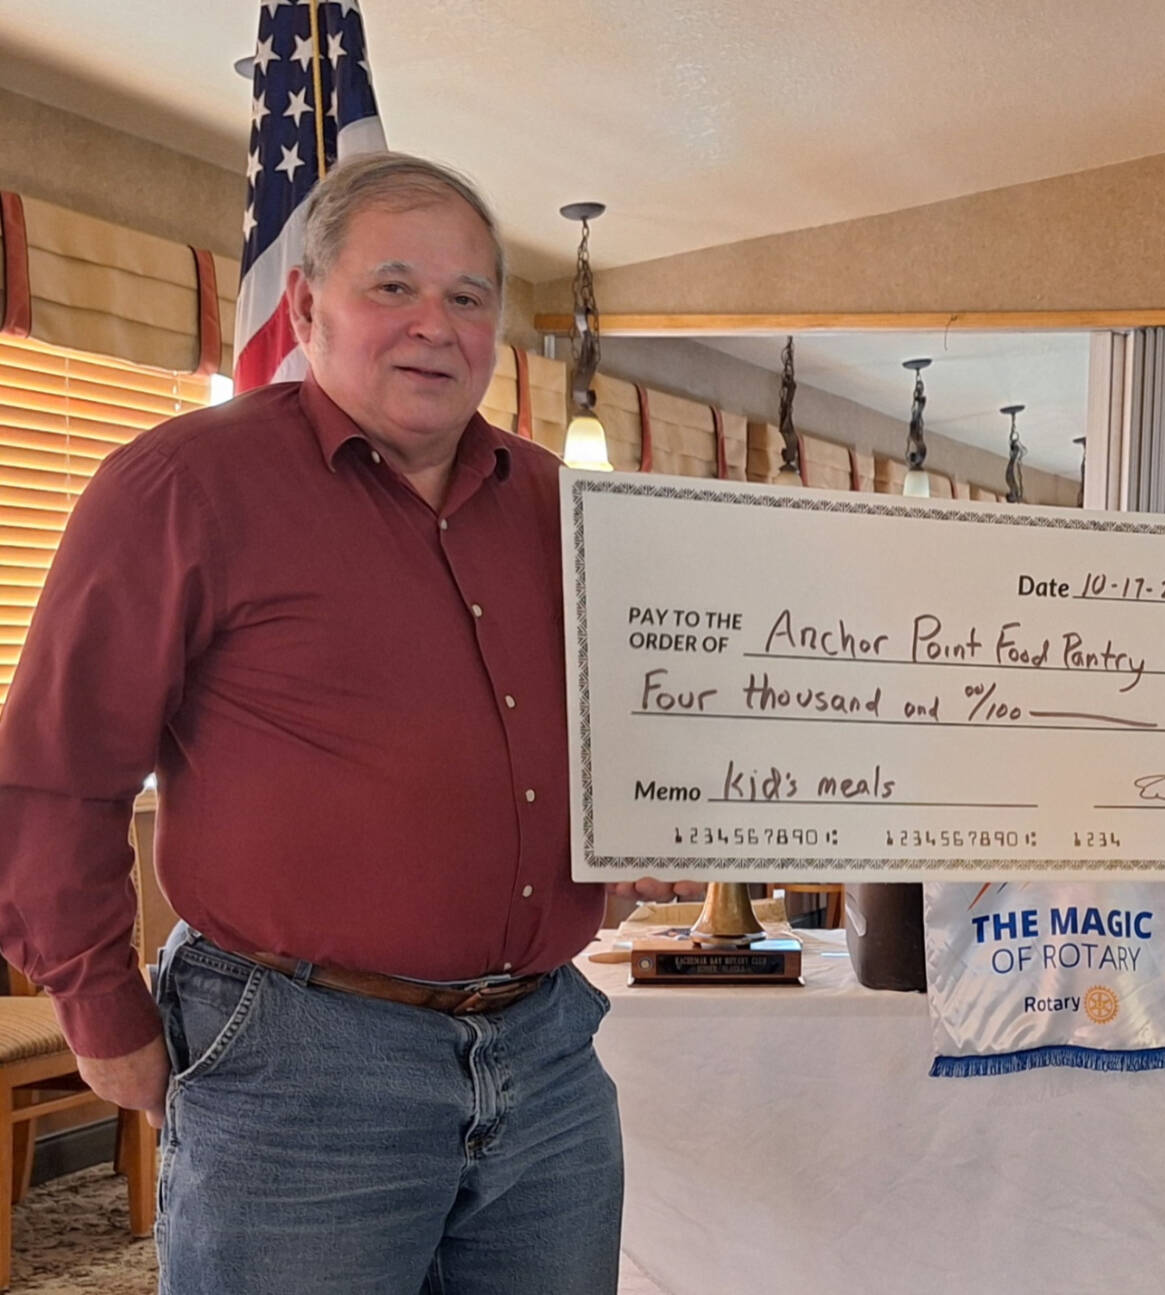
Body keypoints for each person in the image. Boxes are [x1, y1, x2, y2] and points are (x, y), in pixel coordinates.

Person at [0, 152, 673, 1293]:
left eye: (468, 297)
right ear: (306, 305)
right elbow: (56, 771)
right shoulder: (180, 484)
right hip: (295, 1054)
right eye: (394, 287)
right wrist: (97, 1002)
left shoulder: (570, 505)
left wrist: (635, 839)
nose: (436, 324)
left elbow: (626, 715)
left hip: (547, 1051)